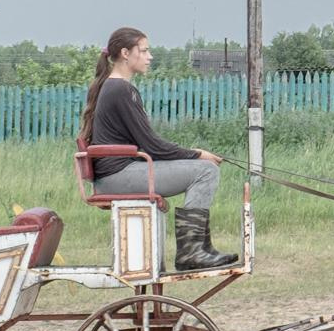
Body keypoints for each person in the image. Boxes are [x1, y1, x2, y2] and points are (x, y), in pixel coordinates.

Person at [77, 26, 237, 271]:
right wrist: (197, 154)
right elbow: (152, 146)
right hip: (117, 177)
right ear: (125, 53)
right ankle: (191, 252)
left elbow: (148, 145)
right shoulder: (121, 89)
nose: (149, 56)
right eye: (144, 51)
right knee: (206, 171)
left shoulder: (114, 87)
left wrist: (192, 154)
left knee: (203, 167)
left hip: (118, 173)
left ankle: (201, 249)